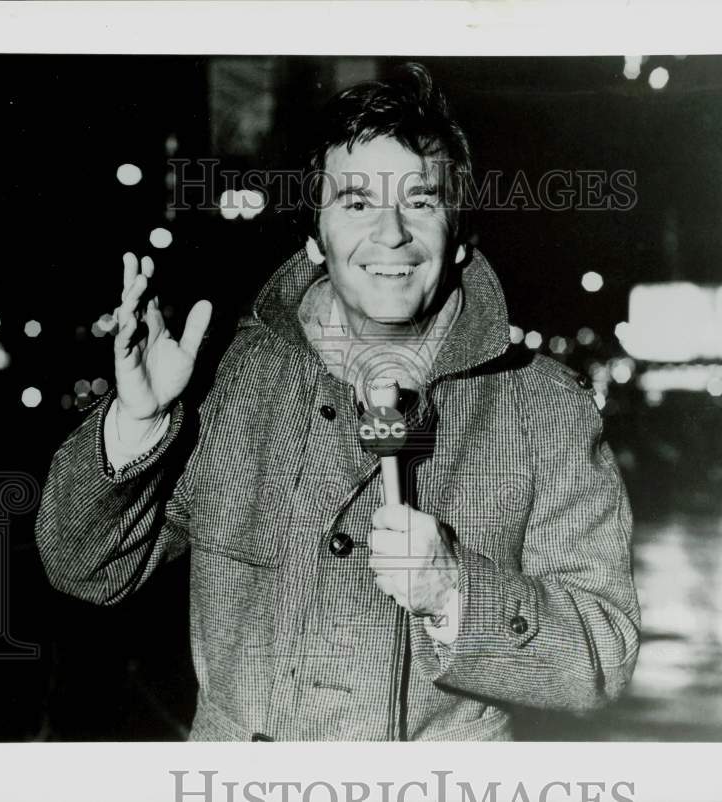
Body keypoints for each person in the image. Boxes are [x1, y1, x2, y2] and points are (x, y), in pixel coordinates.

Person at [35, 62, 640, 742]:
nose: (390, 234)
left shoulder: (544, 410)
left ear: (463, 236)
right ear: (314, 238)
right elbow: (83, 569)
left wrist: (453, 590)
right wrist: (138, 422)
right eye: (355, 203)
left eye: (419, 200)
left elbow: (603, 654)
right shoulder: (229, 382)